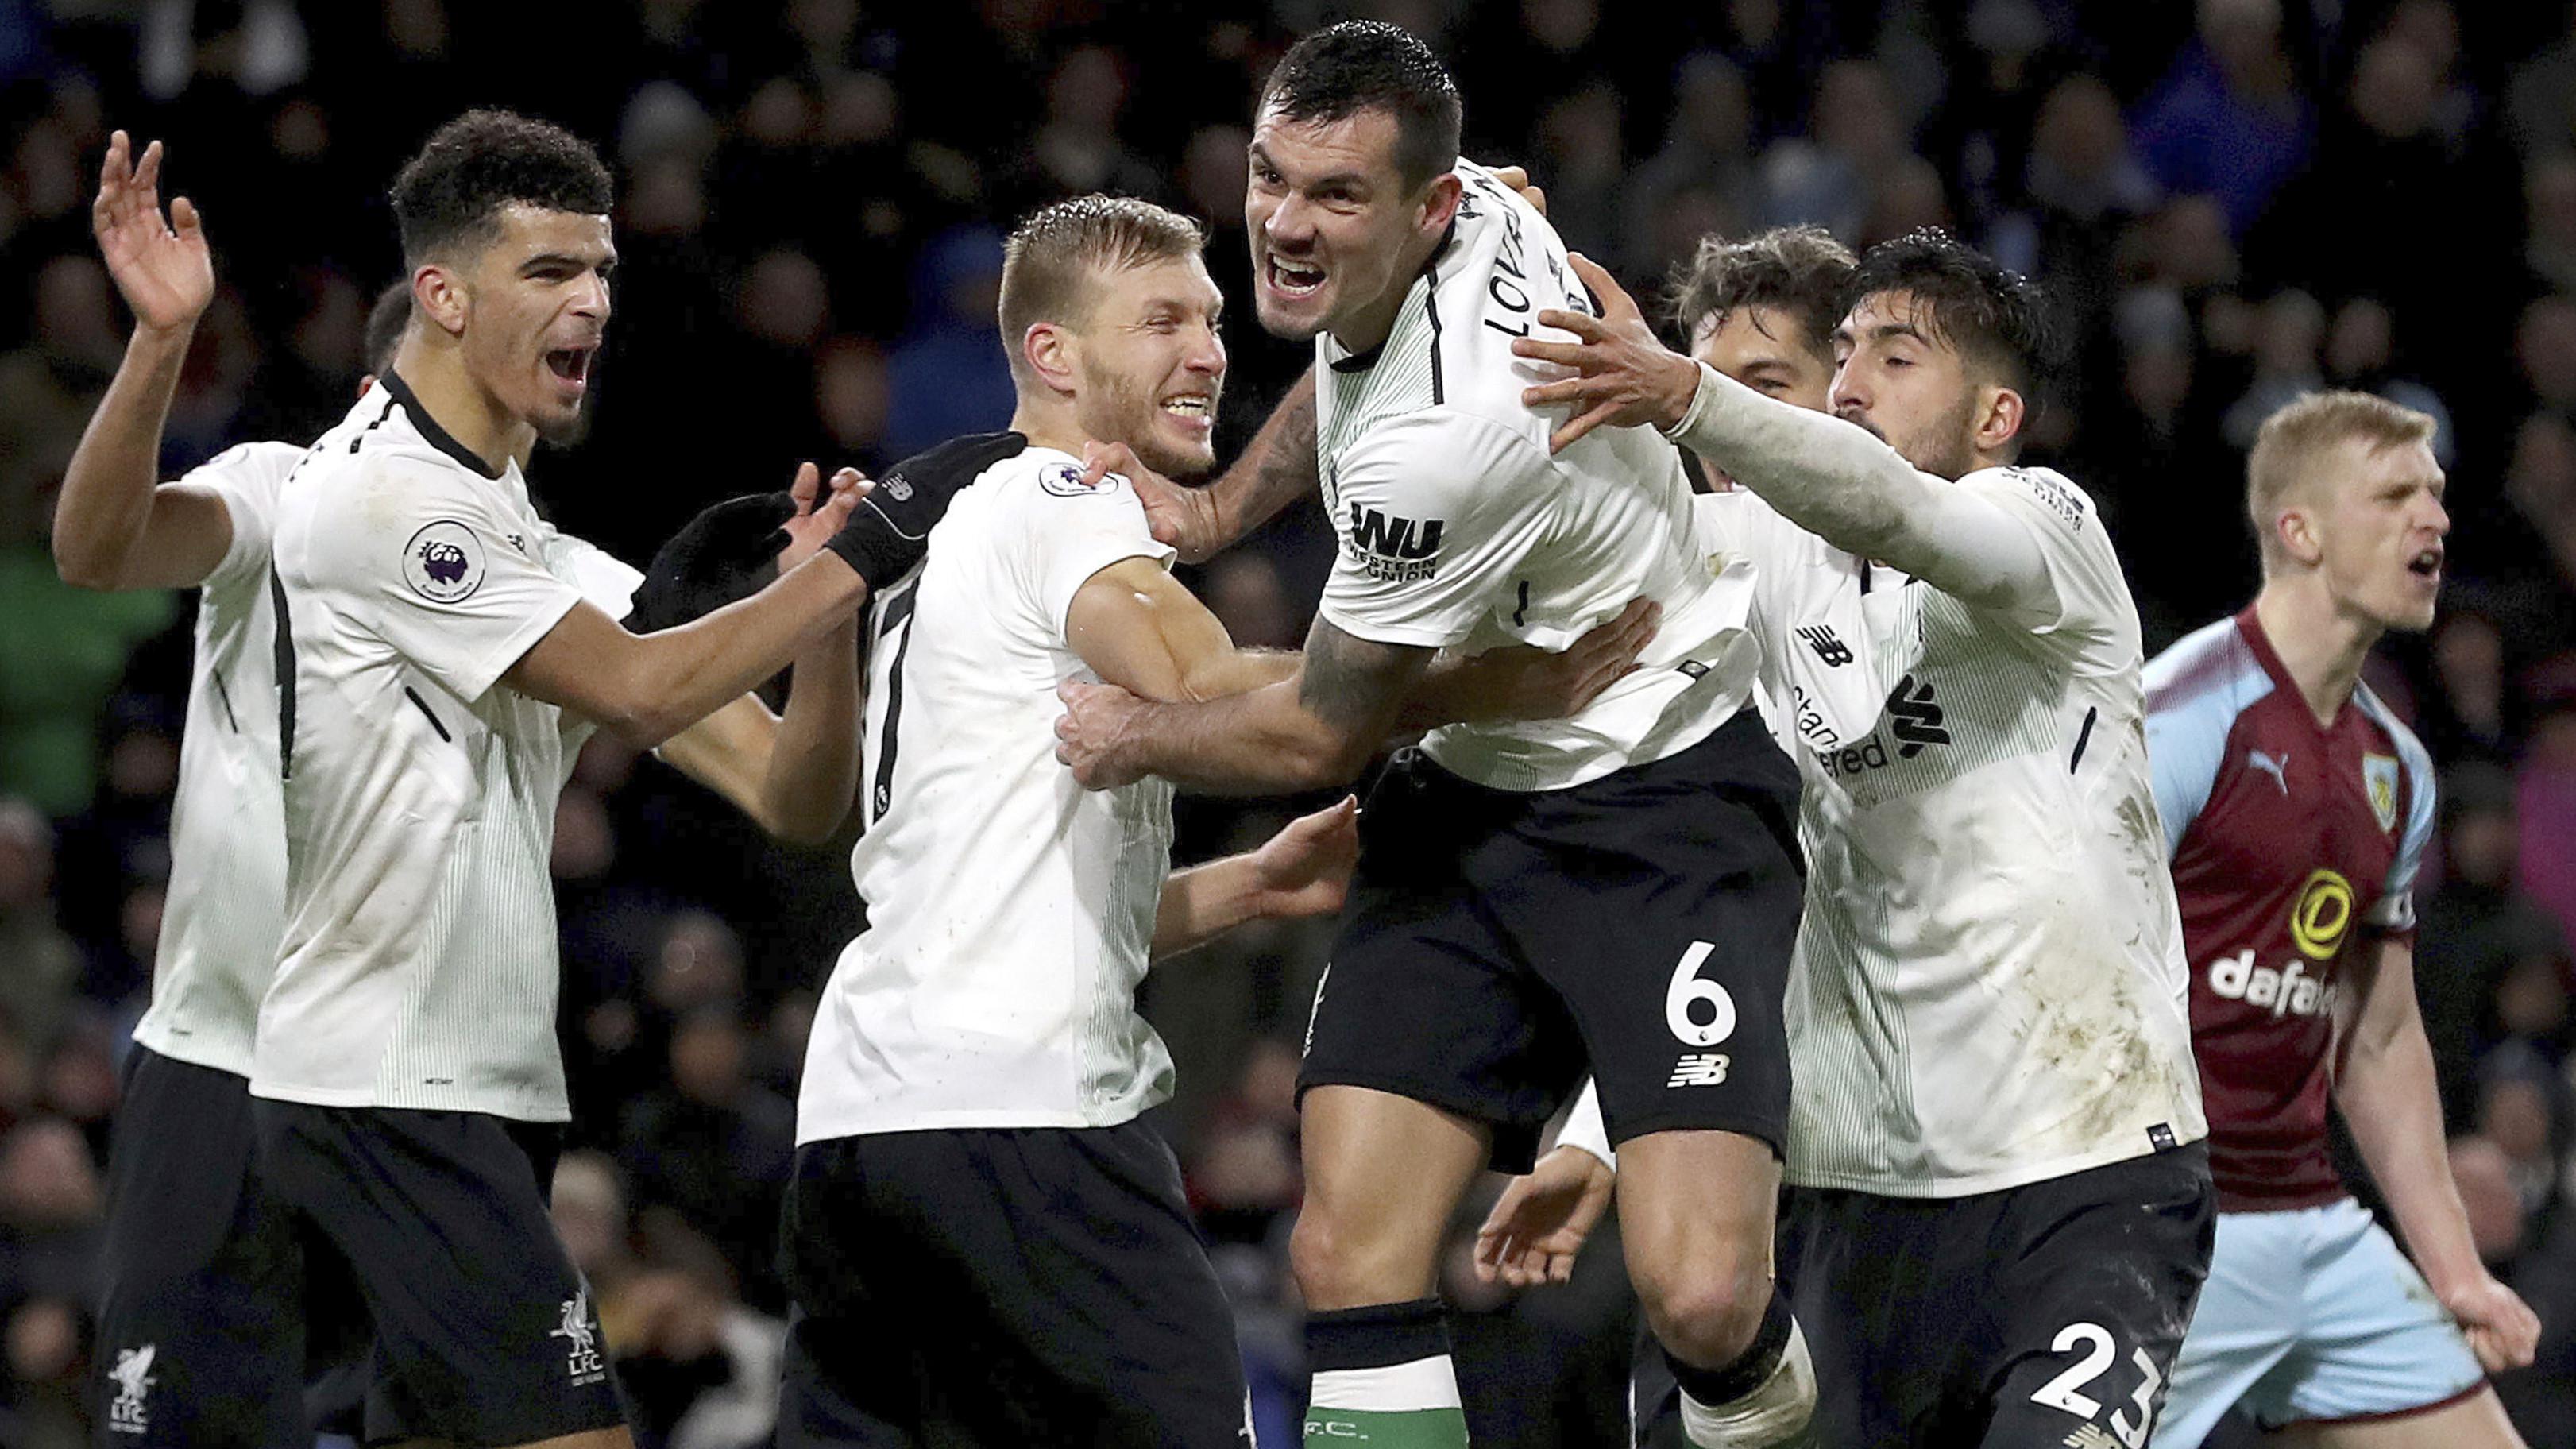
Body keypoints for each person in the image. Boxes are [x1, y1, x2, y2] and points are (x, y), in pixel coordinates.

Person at [780, 192, 1652, 1449]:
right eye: (1161, 323)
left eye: (1209, 317)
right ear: (1053, 357)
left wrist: (1245, 887)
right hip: (1026, 1132)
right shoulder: (1061, 503)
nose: (1209, 350)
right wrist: (1503, 677)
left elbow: (993, 900)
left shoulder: (934, 544)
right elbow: (1211, 690)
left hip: (861, 1134)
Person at [52, 130, 877, 1449]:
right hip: (238, 1053)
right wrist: (159, 343)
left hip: (445, 1074)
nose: (590, 306)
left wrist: (820, 617)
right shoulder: (303, 491)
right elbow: (95, 548)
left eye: (598, 275)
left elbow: (789, 793)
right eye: (549, 275)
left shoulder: (552, 570)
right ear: (434, 316)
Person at [1052, 25, 1818, 1447]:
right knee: (1347, 1254)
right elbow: (1349, 363)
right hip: (1472, 802)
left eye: (1335, 197)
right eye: (1273, 179)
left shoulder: (1460, 430)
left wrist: (1134, 736)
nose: (1285, 223)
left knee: (1703, 1298)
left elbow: (1315, 739)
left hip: (1659, 795)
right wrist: (1219, 511)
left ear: (1429, 208)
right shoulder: (1464, 202)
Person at [1473, 227, 2212, 1446]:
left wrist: (1692, 394)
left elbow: (1898, 510)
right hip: (1844, 1197)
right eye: (1848, 355)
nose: (1852, 384)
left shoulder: (2045, 525)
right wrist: (1483, 268)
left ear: (1994, 416)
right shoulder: (1758, 574)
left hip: (2085, 1180)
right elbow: (1549, 561)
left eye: (1896, 357)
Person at [2145, 392, 2541, 1445]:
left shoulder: (2397, 769)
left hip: (2311, 1225)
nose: (2437, 521)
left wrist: (2455, 1272)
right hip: (2154, 1229)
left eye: (2440, 497)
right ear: (2301, 530)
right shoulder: (2179, 715)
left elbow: (2377, 1033)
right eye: (2396, 495)